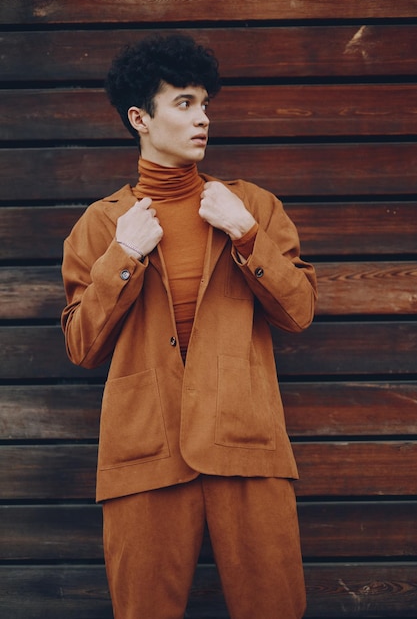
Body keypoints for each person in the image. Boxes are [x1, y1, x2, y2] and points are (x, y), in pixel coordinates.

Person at [61, 33, 317, 619]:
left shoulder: (250, 206)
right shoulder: (102, 225)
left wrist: (247, 236)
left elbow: (298, 310)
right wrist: (123, 256)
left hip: (247, 443)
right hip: (143, 452)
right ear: (139, 118)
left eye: (205, 104)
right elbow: (81, 346)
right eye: (184, 103)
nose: (203, 119)